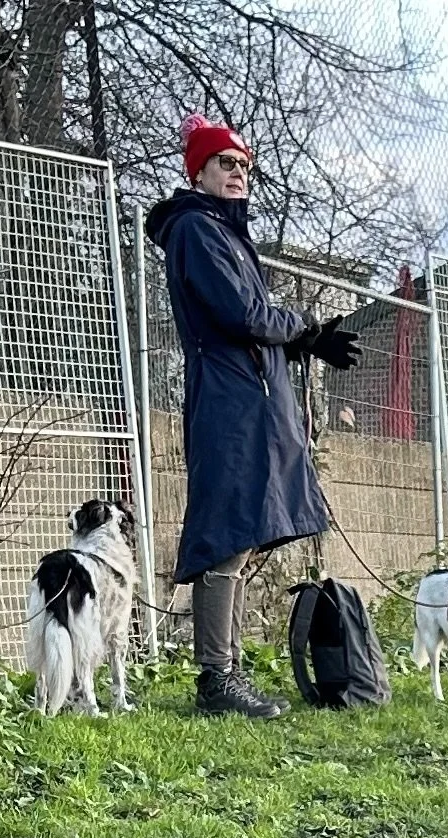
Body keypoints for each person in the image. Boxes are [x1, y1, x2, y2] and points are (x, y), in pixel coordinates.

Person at [145, 113, 361, 718]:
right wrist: (306, 330)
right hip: (226, 399)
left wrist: (298, 342)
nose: (238, 174)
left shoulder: (224, 233)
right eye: (225, 163)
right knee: (226, 535)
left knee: (241, 538)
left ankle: (228, 672)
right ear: (200, 171)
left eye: (244, 165)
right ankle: (217, 679)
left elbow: (253, 317)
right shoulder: (196, 229)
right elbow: (241, 312)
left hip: (249, 396)